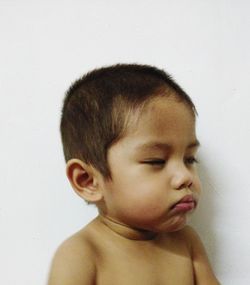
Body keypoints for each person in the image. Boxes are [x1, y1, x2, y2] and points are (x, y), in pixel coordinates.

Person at [48, 64, 220, 284]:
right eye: (156, 161)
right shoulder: (81, 256)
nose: (185, 176)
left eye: (189, 159)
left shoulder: (186, 243)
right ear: (88, 181)